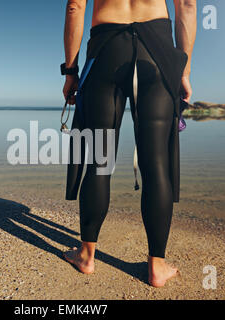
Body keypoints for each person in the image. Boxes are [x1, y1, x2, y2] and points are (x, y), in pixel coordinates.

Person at [61, 0, 196, 288]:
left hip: (105, 50)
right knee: (156, 164)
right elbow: (187, 4)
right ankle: (156, 267)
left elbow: (75, 7)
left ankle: (86, 256)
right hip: (157, 52)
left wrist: (71, 72)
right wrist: (182, 71)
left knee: (100, 160)